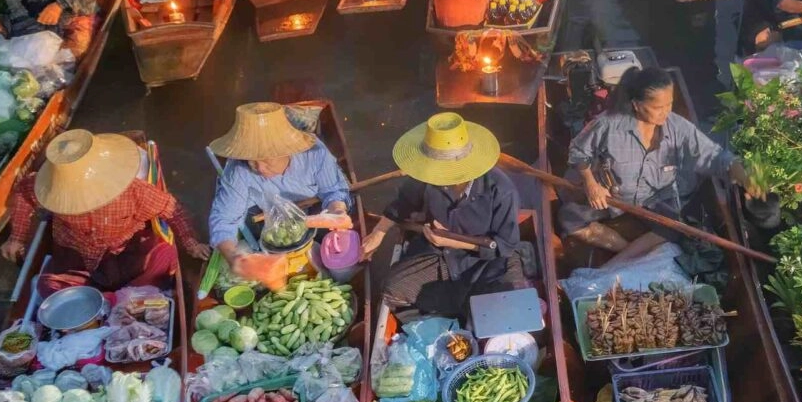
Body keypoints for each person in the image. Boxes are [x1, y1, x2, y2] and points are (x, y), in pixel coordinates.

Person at [561, 67, 752, 254]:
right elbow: (578, 151)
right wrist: (590, 183)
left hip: (656, 199)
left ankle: (628, 260)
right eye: (657, 107)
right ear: (636, 104)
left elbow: (714, 156)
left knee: (678, 228)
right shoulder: (608, 124)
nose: (665, 113)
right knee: (569, 219)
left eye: (669, 104)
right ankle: (627, 253)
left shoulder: (678, 127)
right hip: (615, 198)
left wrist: (739, 171)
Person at [2, 129, 211, 295]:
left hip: (125, 253)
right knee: (46, 286)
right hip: (77, 257)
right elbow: (23, 194)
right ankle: (112, 298)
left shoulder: (133, 191)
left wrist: (191, 243)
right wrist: (16, 238)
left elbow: (172, 209)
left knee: (165, 255)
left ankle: (119, 296)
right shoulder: (48, 187)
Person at [362, 113, 525, 315]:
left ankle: (463, 310)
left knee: (508, 303)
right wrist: (378, 232)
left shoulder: (501, 190)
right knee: (392, 289)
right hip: (439, 255)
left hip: (486, 261)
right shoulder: (425, 177)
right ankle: (457, 309)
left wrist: (454, 242)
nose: (438, 177)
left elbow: (506, 245)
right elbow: (401, 204)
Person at [208, 102, 354, 280]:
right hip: (264, 219)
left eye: (266, 159)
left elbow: (333, 192)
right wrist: (233, 258)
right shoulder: (238, 169)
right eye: (252, 161)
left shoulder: (314, 153)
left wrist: (336, 211)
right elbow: (224, 220)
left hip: (312, 211)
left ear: (287, 150)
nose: (259, 168)